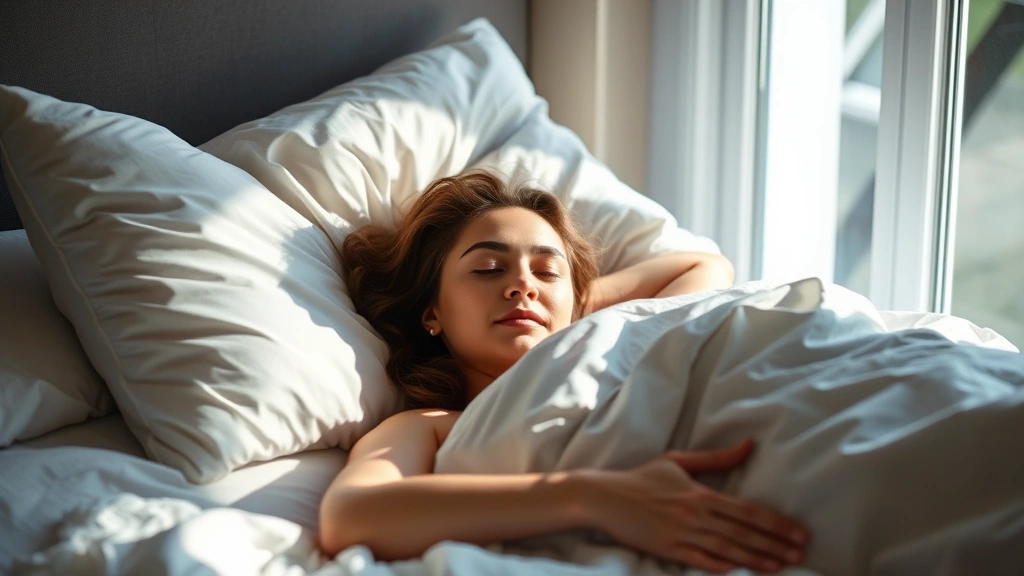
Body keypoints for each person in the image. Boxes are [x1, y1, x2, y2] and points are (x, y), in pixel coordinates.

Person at [319, 170, 808, 574]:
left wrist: (567, 308)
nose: (522, 284)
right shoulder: (431, 425)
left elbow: (703, 266)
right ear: (433, 312)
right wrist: (590, 498)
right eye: (489, 268)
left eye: (546, 271)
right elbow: (351, 515)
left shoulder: (616, 347)